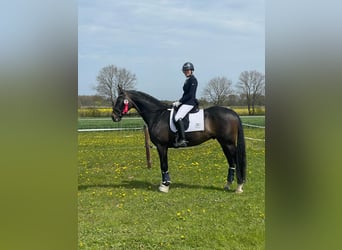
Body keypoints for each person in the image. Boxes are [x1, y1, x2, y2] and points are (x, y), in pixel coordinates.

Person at [173, 62, 198, 147]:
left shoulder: (193, 80)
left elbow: (190, 95)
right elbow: (185, 94)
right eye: (185, 70)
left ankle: (183, 139)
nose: (186, 72)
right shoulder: (188, 80)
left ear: (191, 70)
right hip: (186, 102)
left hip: (190, 103)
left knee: (177, 117)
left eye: (188, 70)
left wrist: (180, 102)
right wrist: (179, 101)